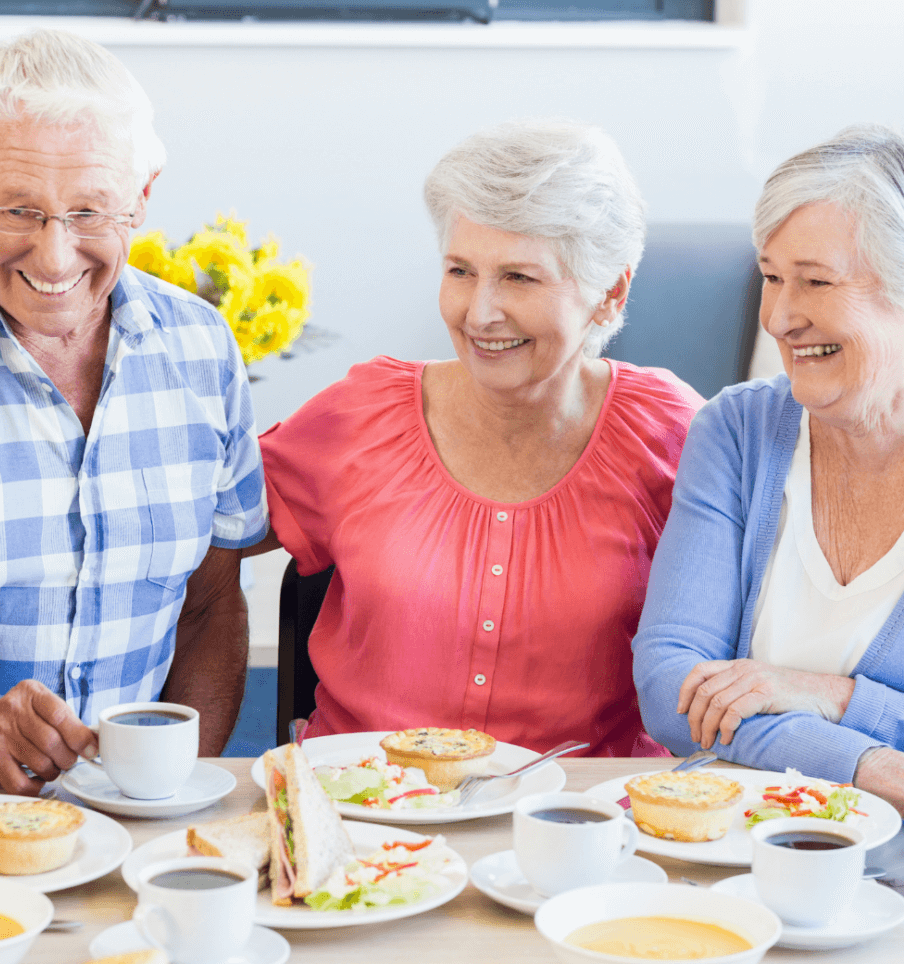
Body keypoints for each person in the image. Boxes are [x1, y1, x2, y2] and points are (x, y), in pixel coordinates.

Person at [245, 120, 701, 756]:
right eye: (461, 270)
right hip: (365, 810)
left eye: (519, 277)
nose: (480, 312)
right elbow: (196, 536)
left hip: (578, 825)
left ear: (611, 292)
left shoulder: (673, 433)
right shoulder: (361, 416)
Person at [0, 30, 268, 795]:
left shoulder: (202, 349)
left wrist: (173, 797)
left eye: (89, 211)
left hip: (128, 832)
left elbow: (209, 606)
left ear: (141, 195)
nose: (55, 257)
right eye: (18, 209)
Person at [634, 123, 904, 812]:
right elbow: (671, 688)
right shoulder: (739, 429)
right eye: (772, 277)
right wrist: (866, 761)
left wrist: (833, 696)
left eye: (814, 282)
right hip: (728, 856)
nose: (780, 318)